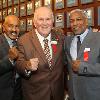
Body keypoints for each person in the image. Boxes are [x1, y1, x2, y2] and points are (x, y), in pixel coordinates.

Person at [16, 6, 65, 100]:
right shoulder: (24, 40)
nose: (45, 23)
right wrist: (27, 65)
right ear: (34, 22)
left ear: (52, 21)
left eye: (48, 19)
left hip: (57, 94)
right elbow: (18, 64)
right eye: (41, 19)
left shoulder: (60, 36)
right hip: (35, 95)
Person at [64, 9, 100, 100]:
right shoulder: (67, 41)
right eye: (71, 21)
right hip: (73, 94)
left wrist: (83, 67)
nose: (75, 23)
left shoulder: (98, 38)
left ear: (86, 21)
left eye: (78, 19)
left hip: (93, 94)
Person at [0, 15, 22, 100]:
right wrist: (9, 59)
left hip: (19, 92)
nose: (14, 30)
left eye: (17, 26)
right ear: (3, 28)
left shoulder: (21, 41)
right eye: (10, 26)